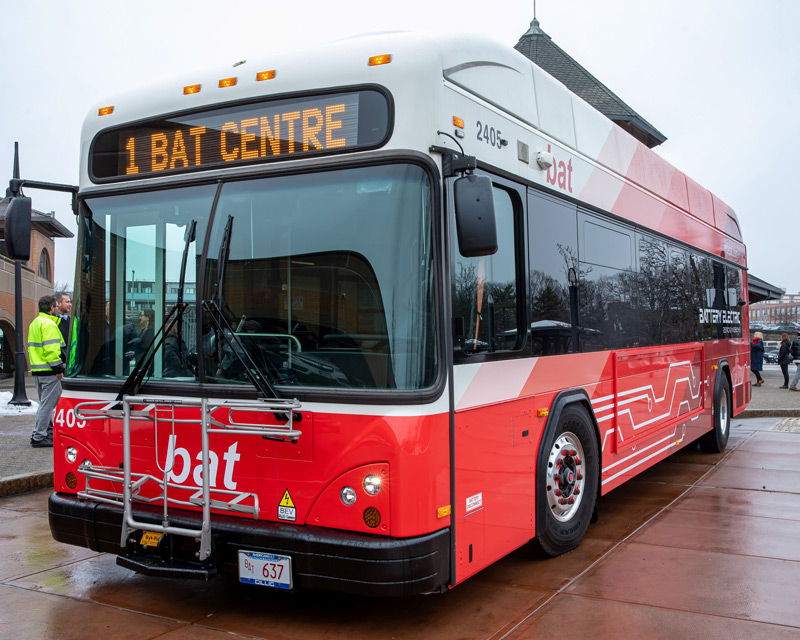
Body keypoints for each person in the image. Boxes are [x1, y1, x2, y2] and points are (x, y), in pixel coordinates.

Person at [27, 295, 66, 448]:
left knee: (44, 404)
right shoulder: (49, 324)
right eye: (56, 306)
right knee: (47, 405)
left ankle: (43, 432)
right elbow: (51, 350)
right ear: (51, 308)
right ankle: (39, 436)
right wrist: (58, 369)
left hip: (38, 371)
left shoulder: (34, 323)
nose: (57, 309)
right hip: (49, 371)